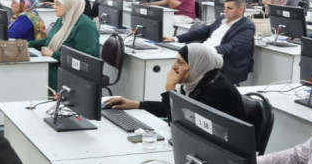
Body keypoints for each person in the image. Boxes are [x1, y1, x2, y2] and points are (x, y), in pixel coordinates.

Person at [105, 44, 246, 121]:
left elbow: (181, 121)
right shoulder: (197, 81)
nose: (174, 67)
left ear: (197, 64)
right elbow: (177, 110)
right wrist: (136, 104)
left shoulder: (217, 90)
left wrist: (170, 89)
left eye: (180, 62)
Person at [164, 0, 256, 85]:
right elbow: (202, 31)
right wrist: (175, 38)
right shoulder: (222, 20)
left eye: (229, 8)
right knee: (179, 57)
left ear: (240, 10)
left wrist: (207, 51)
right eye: (225, 8)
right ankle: (182, 86)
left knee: (185, 61)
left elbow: (233, 46)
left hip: (224, 59)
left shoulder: (247, 26)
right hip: (205, 52)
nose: (225, 11)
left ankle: (182, 86)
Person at [28, 0, 100, 91]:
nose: (54, 7)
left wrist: (53, 54)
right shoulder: (62, 20)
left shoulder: (85, 25)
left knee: (34, 75)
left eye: (58, 4)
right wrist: (27, 44)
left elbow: (84, 58)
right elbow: (50, 39)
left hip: (76, 72)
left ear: (69, 6)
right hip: (59, 64)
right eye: (54, 4)